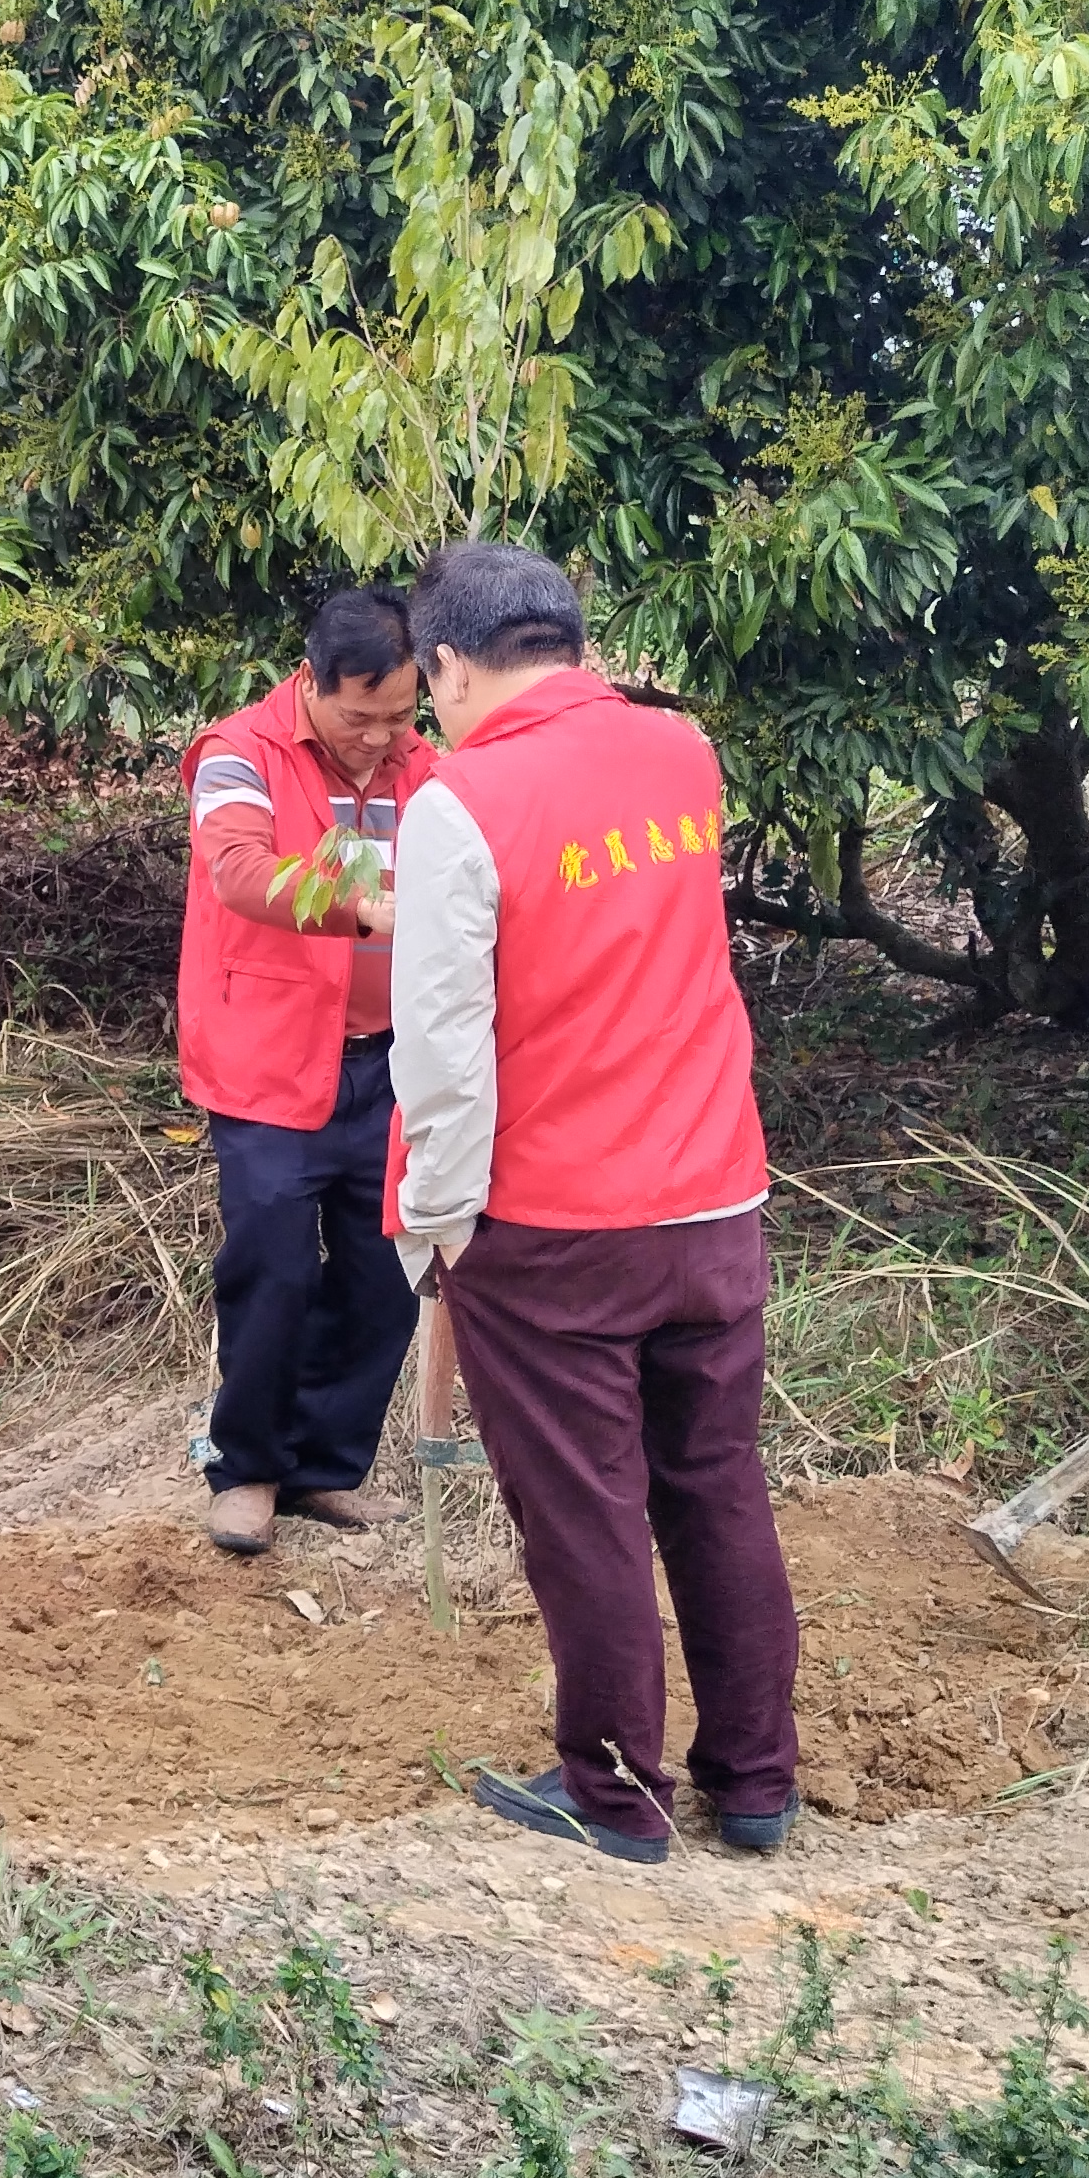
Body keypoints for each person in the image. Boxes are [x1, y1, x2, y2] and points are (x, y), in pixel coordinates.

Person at [388, 542, 795, 1864]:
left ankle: (617, 1793)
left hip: (560, 1225)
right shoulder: (683, 755)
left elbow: (445, 1048)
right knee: (717, 1486)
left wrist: (433, 1227)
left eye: (426, 683)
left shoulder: (464, 801)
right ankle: (755, 1784)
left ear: (446, 663)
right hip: (714, 1200)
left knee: (585, 1510)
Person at [176, 586, 445, 1554]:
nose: (380, 737)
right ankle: (246, 1468)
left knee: (383, 1275)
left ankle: (326, 1469)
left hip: (396, 1066)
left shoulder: (430, 766)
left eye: (400, 716)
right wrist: (363, 906)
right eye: (357, 716)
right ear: (311, 682)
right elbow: (237, 870)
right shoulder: (238, 753)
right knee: (273, 1270)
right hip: (269, 1065)